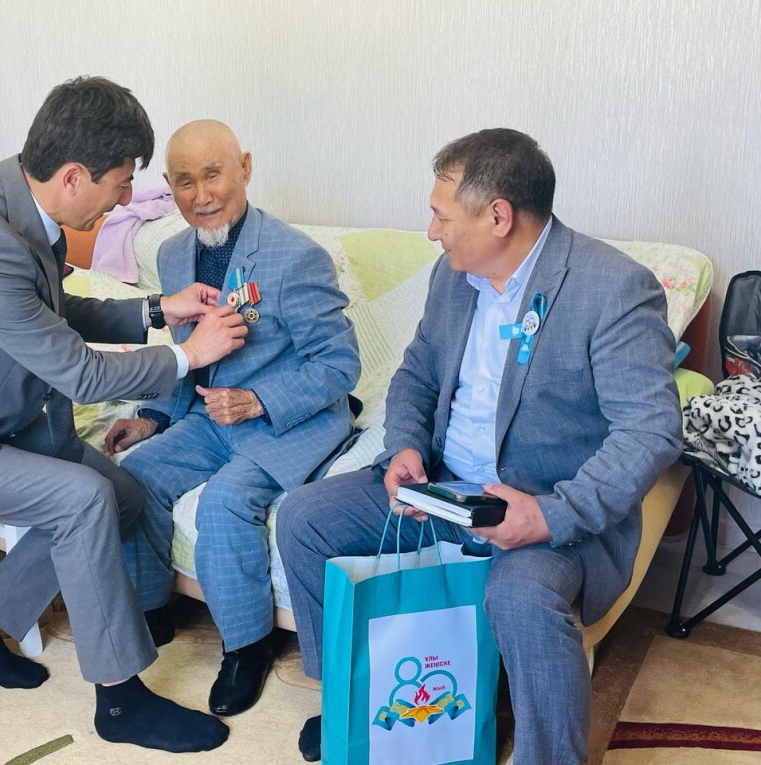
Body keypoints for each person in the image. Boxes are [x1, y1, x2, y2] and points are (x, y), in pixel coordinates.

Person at [0, 76, 248, 754]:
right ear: (73, 176)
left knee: (123, 495)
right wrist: (188, 354)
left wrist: (157, 308)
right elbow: (81, 373)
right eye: (121, 183)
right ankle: (120, 702)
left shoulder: (14, 194)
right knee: (83, 500)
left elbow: (49, 309)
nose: (127, 199)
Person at [276, 128, 683, 763]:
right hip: (442, 489)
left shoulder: (612, 288)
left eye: (441, 216)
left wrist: (548, 515)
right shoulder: (453, 276)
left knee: (520, 595)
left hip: (547, 509)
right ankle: (354, 699)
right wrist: (406, 448)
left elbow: (651, 430)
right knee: (305, 517)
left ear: (498, 216)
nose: (431, 232)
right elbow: (416, 373)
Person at [104, 120, 361, 717]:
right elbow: (189, 355)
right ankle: (152, 612)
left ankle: (247, 648)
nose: (202, 195)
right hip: (212, 417)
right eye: (184, 182)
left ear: (244, 167)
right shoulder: (172, 254)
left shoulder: (295, 256)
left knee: (223, 502)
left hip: (287, 422)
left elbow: (340, 365)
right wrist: (153, 416)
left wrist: (259, 400)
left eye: (213, 174)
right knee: (134, 476)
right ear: (168, 185)